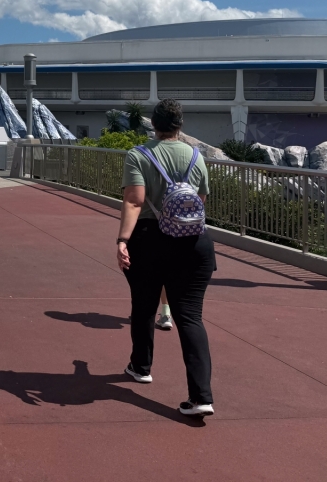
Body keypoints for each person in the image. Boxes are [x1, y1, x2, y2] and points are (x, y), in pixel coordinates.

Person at [117, 98, 216, 417]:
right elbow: (199, 202)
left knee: (144, 306)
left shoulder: (139, 154)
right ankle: (201, 397)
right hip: (194, 242)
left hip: (150, 239)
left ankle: (141, 366)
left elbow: (135, 202)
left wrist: (122, 240)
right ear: (180, 125)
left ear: (153, 124)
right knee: (190, 317)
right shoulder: (196, 156)